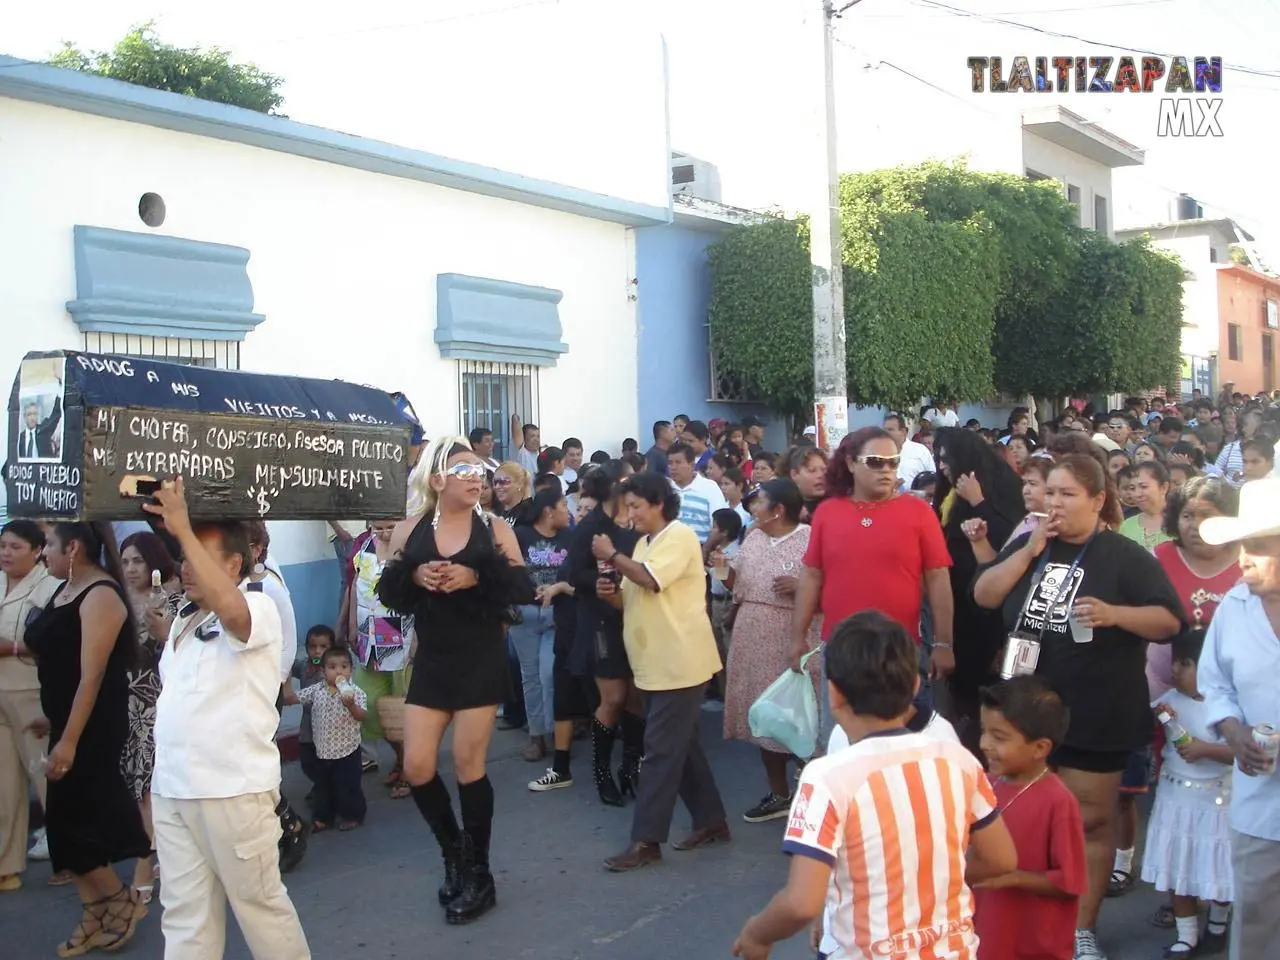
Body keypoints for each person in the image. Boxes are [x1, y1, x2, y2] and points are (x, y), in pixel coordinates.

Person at [973, 455, 1186, 960]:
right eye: (1050, 492)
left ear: (1097, 500)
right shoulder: (1031, 546)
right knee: (1014, 815)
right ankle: (1016, 917)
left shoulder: (1124, 556)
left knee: (1089, 821)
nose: (1055, 503)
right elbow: (984, 595)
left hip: (1098, 706)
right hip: (1023, 710)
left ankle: (1081, 927)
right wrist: (1028, 552)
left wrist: (1116, 614)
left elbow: (1169, 621)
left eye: (1068, 494)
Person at [731, 611, 1016, 960]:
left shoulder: (825, 778)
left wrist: (756, 933)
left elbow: (801, 903)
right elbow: (1002, 858)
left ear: (833, 693)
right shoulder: (959, 760)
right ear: (914, 686)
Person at [141, 486, 311, 959]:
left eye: (199, 555)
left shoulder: (257, 606)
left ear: (234, 566)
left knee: (259, 907)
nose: (186, 566)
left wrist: (180, 525)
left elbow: (234, 614)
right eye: (183, 555)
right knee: (185, 914)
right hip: (174, 789)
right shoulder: (183, 620)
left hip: (233, 790)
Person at [376, 437, 535, 925]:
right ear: (438, 478)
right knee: (419, 767)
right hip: (434, 661)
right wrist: (416, 575)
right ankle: (454, 854)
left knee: (469, 764)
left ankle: (480, 875)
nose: (476, 478)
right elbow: (389, 591)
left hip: (479, 657)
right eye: (464, 470)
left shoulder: (497, 529)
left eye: (479, 472)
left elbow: (523, 588)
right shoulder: (411, 529)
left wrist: (475, 577)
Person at [23, 522, 151, 954]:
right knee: (63, 824)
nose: (44, 556)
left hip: (93, 726)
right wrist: (51, 720)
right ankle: (95, 909)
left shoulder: (100, 595)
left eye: (50, 547)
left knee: (74, 822)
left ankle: (119, 900)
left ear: (74, 547)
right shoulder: (64, 590)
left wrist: (70, 739)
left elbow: (90, 677)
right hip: (66, 720)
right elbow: (58, 664)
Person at [591, 471, 728, 872]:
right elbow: (634, 600)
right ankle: (712, 820)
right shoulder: (642, 543)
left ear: (659, 504)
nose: (630, 514)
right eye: (627, 506)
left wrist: (611, 555)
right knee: (681, 748)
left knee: (660, 752)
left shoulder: (680, 536)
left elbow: (650, 581)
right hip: (654, 662)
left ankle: (645, 839)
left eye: (636, 506)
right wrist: (612, 593)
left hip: (680, 662)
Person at [792, 428, 954, 741]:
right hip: (839, 647)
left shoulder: (919, 512)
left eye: (893, 463)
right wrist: (797, 637)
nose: (887, 471)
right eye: (876, 462)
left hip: (901, 650)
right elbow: (812, 574)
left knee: (905, 740)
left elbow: (938, 578)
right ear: (851, 463)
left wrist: (944, 644)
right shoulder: (828, 512)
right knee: (839, 737)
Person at [1195, 477, 1280, 960]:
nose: (1243, 557)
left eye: (1260, 547)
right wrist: (1234, 730)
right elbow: (1215, 684)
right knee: (1257, 931)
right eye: (1244, 544)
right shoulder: (1234, 606)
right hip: (1261, 809)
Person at [718, 479, 819, 823]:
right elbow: (741, 586)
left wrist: (803, 586)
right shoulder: (755, 537)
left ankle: (814, 794)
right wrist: (722, 570)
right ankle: (779, 793)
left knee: (799, 717)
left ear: (778, 509)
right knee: (764, 716)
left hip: (792, 637)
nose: (752, 507)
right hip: (751, 638)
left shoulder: (809, 538)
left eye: (759, 501)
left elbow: (829, 584)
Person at [973, 677, 1087, 960]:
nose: (985, 744)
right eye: (984, 731)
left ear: (1040, 748)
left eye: (999, 737)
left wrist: (1012, 878)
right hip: (981, 933)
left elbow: (1071, 882)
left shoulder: (1058, 802)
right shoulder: (982, 784)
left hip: (1031, 942)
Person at [933, 426, 1027, 754]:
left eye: (948, 459)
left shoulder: (1003, 485)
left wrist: (978, 501)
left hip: (991, 606)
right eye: (938, 460)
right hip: (956, 598)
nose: (943, 466)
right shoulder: (948, 491)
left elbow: (1014, 539)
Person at [1141, 631, 1235, 957]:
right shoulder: (1169, 702)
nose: (1175, 671)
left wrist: (1205, 749)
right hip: (1175, 797)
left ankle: (1218, 925)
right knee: (1178, 865)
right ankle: (1187, 933)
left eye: (1184, 664)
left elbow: (1240, 751)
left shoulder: (1227, 709)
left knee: (1217, 865)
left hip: (1216, 800)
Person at [562, 462, 644, 807]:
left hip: (637, 620)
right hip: (600, 622)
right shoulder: (591, 527)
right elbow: (569, 571)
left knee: (637, 698)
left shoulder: (641, 524)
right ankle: (601, 773)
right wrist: (591, 583)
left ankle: (630, 765)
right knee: (611, 698)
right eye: (626, 482)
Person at [117, 530, 183, 904]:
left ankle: (150, 858)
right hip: (124, 699)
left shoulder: (170, 598)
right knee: (136, 779)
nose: (130, 568)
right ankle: (156, 851)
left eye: (138, 560)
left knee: (149, 779)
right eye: (125, 561)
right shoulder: (117, 600)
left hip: (158, 697)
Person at [0, 520, 59, 892]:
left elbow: (59, 642)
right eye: (3, 545)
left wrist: (15, 648)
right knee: (5, 783)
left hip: (32, 689)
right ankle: (7, 864)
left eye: (14, 546)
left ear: (37, 550)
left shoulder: (49, 587)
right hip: (0, 691)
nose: (6, 553)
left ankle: (74, 856)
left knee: (45, 774)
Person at [347, 519, 411, 799]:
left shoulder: (411, 551)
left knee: (401, 708)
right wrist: (349, 623)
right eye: (379, 527)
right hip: (368, 638)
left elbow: (421, 597)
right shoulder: (365, 547)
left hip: (402, 639)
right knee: (370, 704)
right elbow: (355, 587)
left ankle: (409, 767)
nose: (385, 533)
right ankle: (401, 756)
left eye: (390, 527)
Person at [510, 487, 574, 763]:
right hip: (524, 614)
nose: (568, 512)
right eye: (563, 506)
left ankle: (554, 732)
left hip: (556, 616)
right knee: (531, 677)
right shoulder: (521, 536)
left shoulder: (570, 538)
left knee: (549, 674)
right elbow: (507, 570)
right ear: (549, 511)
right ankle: (536, 736)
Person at [296, 647, 368, 832]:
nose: (338, 671)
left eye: (344, 667)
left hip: (347, 750)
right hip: (322, 749)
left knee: (347, 786)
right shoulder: (317, 690)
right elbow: (295, 698)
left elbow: (362, 716)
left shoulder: (356, 692)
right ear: (323, 671)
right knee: (322, 786)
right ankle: (323, 817)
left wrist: (351, 705)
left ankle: (353, 815)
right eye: (332, 667)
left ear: (351, 670)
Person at [286, 625, 335, 794]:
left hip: (326, 725)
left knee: (325, 762)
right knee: (307, 761)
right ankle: (322, 785)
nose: (317, 652)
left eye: (323, 647)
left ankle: (326, 790)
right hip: (307, 725)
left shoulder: (332, 672)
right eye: (312, 647)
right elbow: (289, 666)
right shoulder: (305, 666)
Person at [668, 442, 728, 543]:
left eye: (678, 462)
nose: (673, 467)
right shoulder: (665, 489)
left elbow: (719, 526)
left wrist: (705, 551)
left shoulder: (709, 488)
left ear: (691, 465)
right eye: (670, 463)